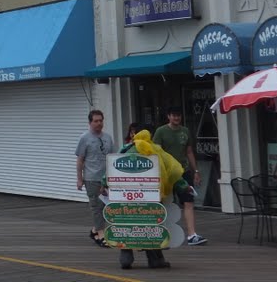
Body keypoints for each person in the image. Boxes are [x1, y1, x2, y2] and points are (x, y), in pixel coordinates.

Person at [109, 127, 182, 270]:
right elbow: (173, 168)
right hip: (150, 196)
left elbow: (111, 169)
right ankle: (155, 260)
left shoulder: (125, 150)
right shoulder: (155, 150)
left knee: (127, 224)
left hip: (126, 197)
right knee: (150, 226)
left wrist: (104, 183)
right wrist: (183, 185)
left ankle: (126, 258)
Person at [153, 106, 206, 246]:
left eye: (178, 115)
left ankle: (192, 234)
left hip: (184, 172)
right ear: (168, 117)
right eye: (173, 115)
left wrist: (196, 171)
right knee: (163, 202)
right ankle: (160, 233)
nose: (176, 118)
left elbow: (189, 151)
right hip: (167, 173)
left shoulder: (185, 131)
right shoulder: (161, 131)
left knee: (188, 201)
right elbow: (156, 152)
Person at [75, 109, 114, 247]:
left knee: (106, 206)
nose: (99, 123)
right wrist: (80, 179)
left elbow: (112, 158)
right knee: (96, 206)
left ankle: (95, 230)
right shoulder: (84, 138)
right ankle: (101, 235)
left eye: (101, 121)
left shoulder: (108, 137)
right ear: (90, 122)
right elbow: (80, 160)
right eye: (96, 121)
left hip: (106, 179)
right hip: (92, 178)